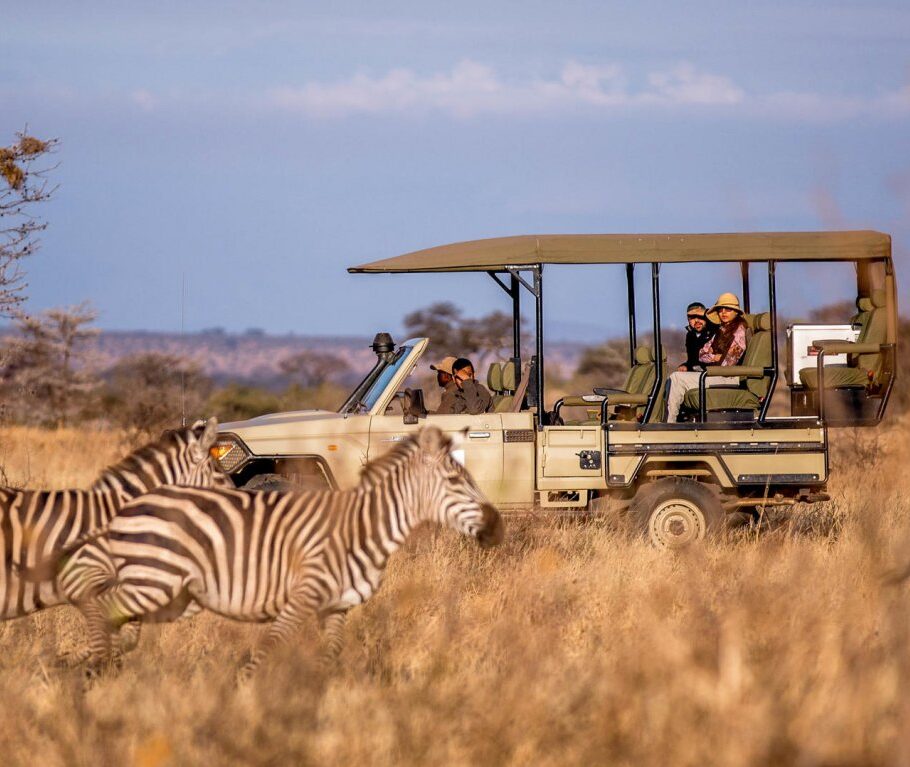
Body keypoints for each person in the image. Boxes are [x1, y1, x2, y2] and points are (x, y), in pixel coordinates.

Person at [665, 293, 749, 422]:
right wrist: (715, 356)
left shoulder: (739, 331)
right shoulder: (722, 330)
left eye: (728, 309)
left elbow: (728, 363)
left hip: (729, 376)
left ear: (736, 312)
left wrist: (713, 356)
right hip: (716, 374)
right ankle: (672, 420)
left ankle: (669, 424)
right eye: (721, 310)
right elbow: (702, 355)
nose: (723, 313)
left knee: (677, 378)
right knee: (674, 377)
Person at [678, 302, 716, 372]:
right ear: (688, 320)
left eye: (700, 317)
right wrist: (686, 366)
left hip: (712, 372)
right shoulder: (690, 335)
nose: (696, 321)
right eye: (692, 318)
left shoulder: (714, 331)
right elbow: (692, 360)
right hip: (698, 372)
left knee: (675, 378)